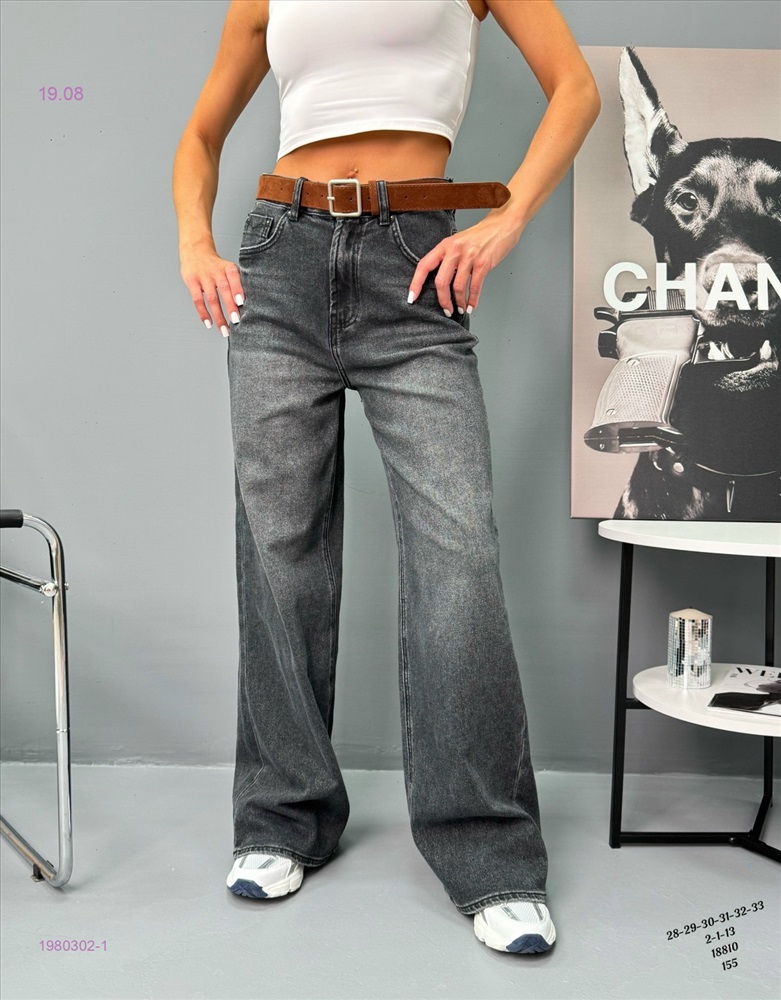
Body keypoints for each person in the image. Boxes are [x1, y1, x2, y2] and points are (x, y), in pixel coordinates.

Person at [172, 0, 599, 955]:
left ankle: (487, 851)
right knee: (278, 552)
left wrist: (506, 221)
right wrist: (197, 243)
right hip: (281, 260)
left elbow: (574, 88)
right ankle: (282, 817)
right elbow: (200, 135)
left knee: (458, 553)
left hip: (413, 265)